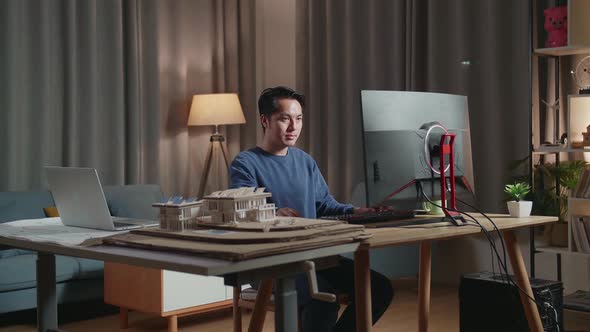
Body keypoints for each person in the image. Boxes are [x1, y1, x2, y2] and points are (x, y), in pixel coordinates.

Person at [230, 86, 393, 331]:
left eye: (299, 119)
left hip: (316, 256)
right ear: (265, 120)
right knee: (323, 301)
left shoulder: (305, 161)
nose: (293, 127)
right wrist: (273, 215)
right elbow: (243, 211)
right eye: (284, 119)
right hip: (273, 262)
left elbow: (325, 206)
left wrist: (358, 211)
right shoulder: (246, 163)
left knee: (380, 288)